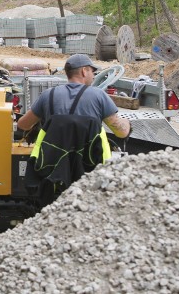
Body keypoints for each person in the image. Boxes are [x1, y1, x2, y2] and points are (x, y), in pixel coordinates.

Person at [17, 53, 131, 205]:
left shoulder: (48, 96)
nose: (93, 75)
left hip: (51, 173)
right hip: (91, 169)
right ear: (84, 71)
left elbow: (23, 125)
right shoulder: (99, 96)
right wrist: (127, 123)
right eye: (92, 71)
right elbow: (121, 132)